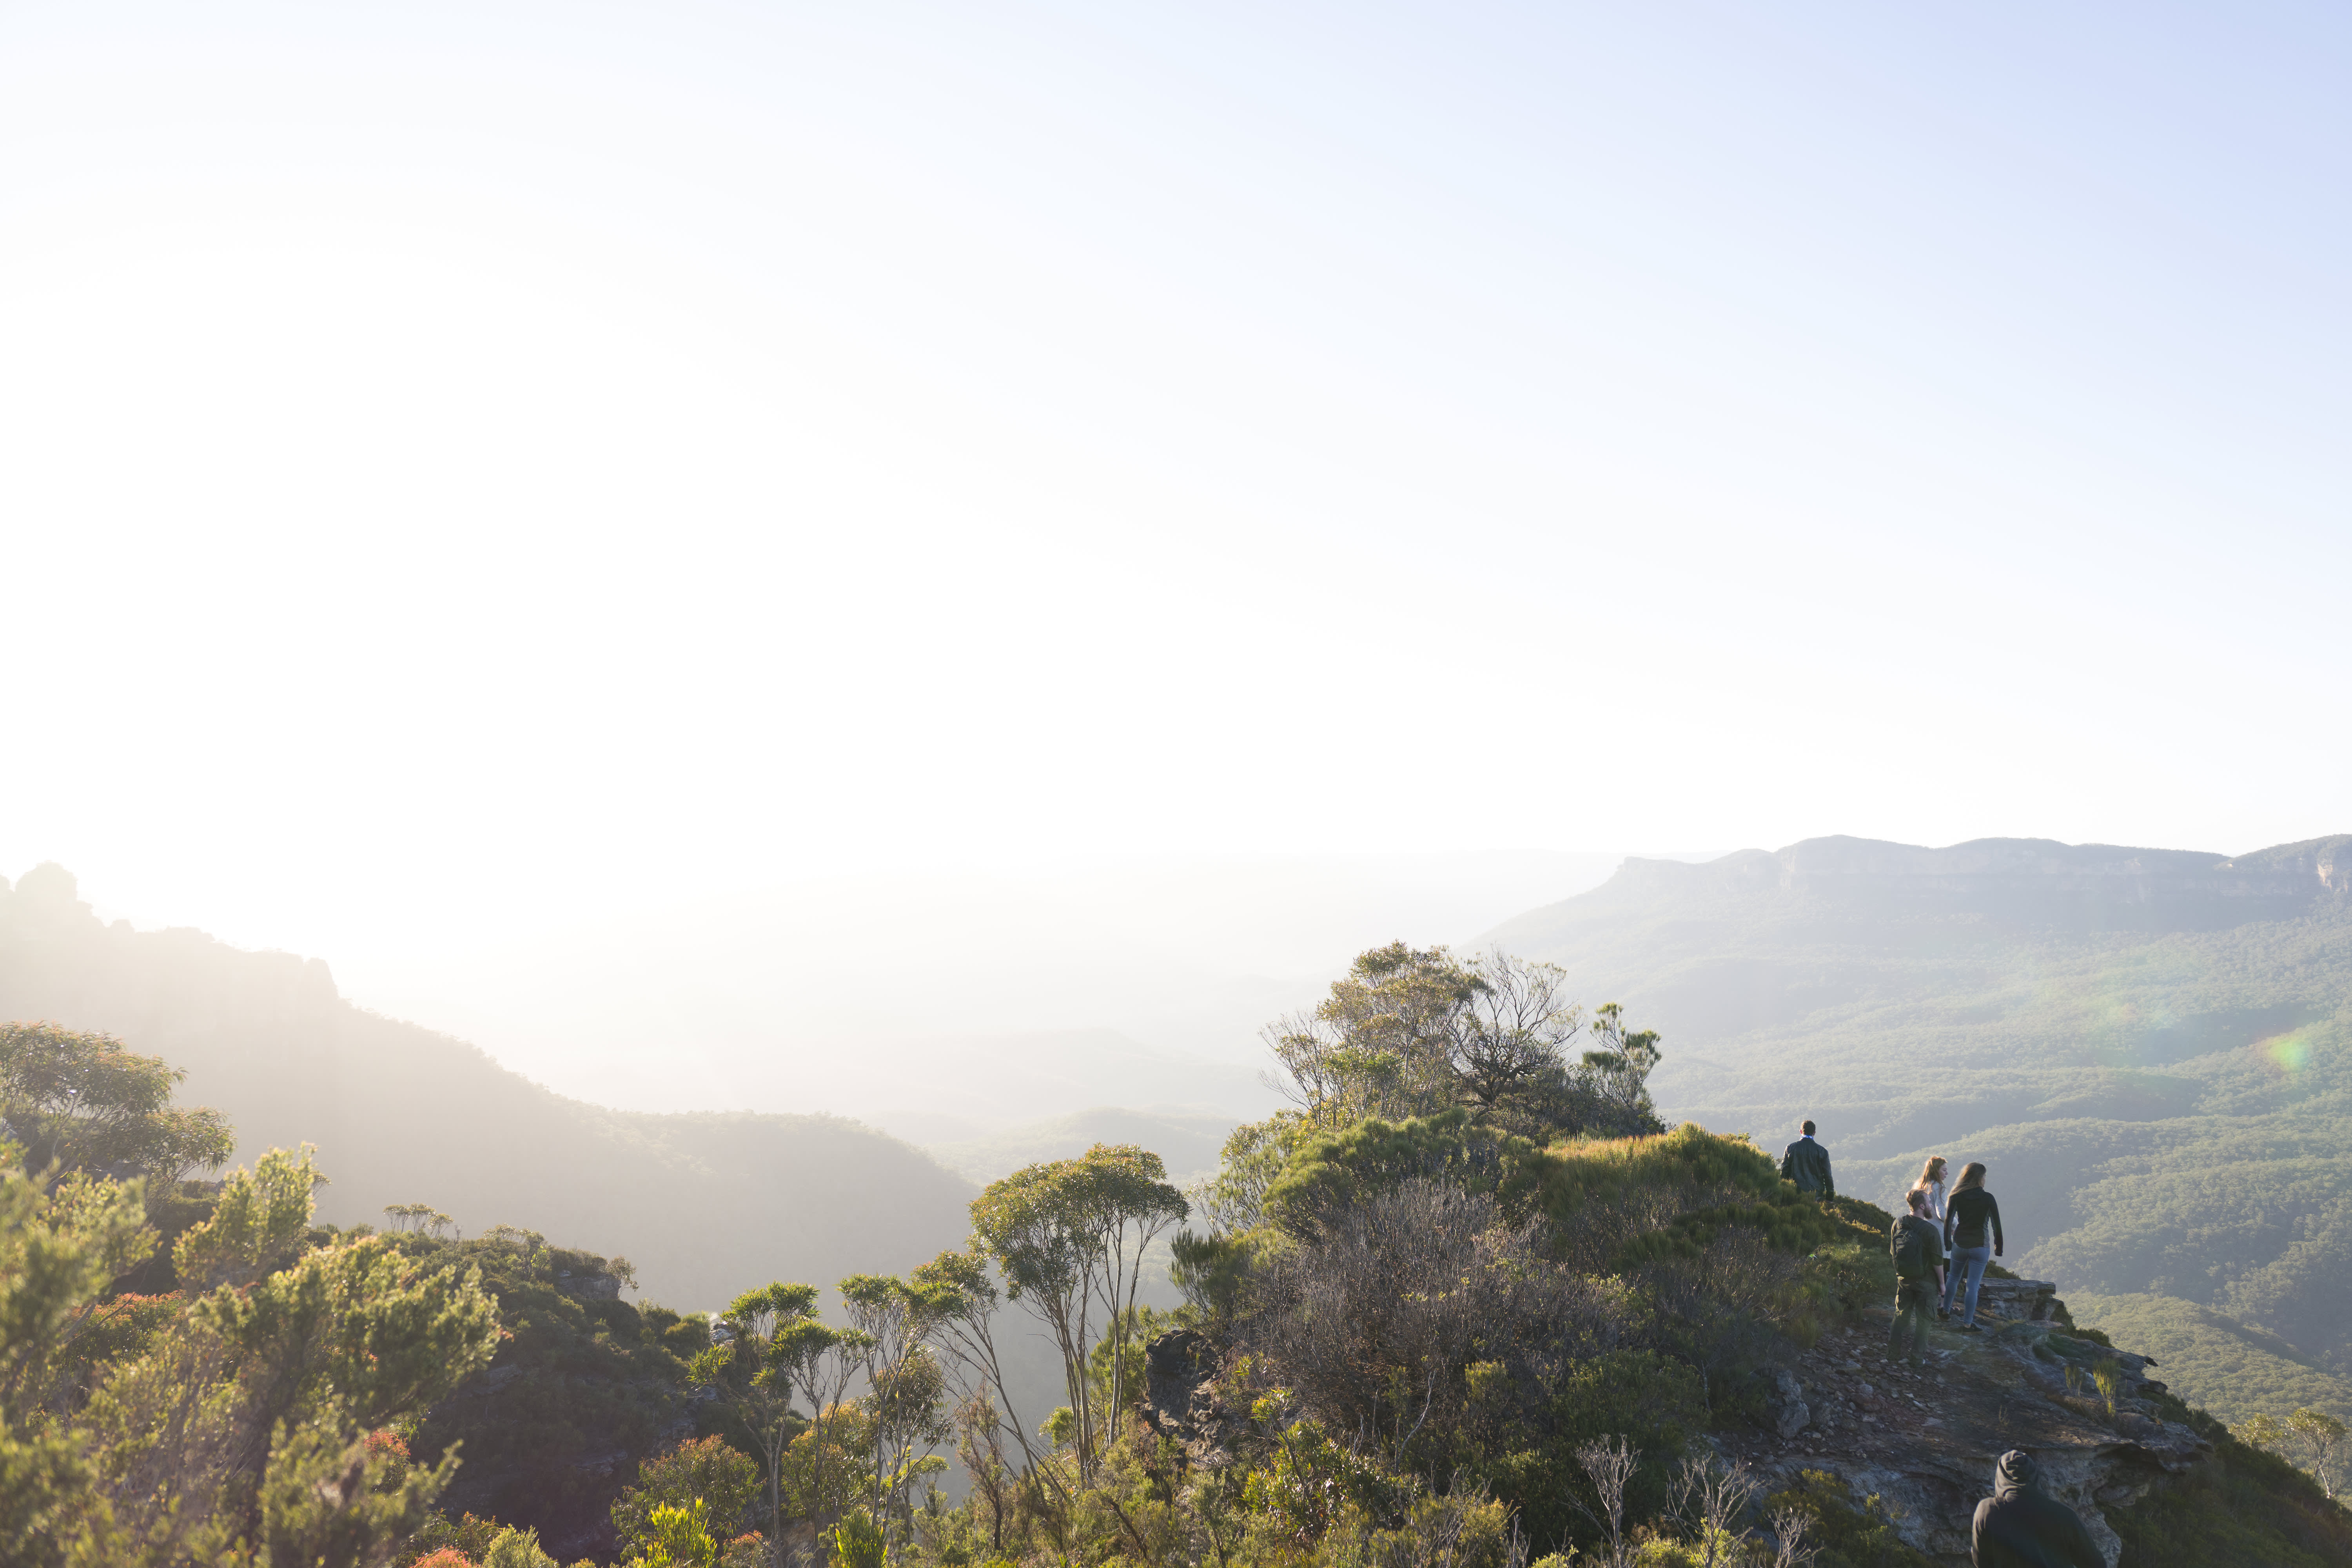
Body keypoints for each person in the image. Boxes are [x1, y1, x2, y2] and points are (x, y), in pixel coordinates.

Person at [1971, 1450, 2102, 1567]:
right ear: (2034, 1476)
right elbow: (2096, 1564)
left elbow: (1980, 1562)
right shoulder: (2064, 1515)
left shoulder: (1987, 1511)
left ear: (2000, 1479)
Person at [1942, 1161, 2004, 1331]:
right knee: (1973, 1286)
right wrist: (1999, 1248)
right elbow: (1997, 1226)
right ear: (1979, 1178)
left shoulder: (1956, 1196)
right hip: (1980, 1246)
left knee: (1953, 1278)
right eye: (1984, 1176)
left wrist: (1948, 1243)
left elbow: (1948, 1221)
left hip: (1960, 1244)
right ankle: (1968, 1324)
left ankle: (1945, 1311)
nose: (1985, 1179)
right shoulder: (1988, 1198)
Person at [1888, 1187, 1945, 1368]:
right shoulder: (1930, 1231)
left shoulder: (1898, 1223)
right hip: (1926, 1283)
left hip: (1903, 1279)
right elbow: (1937, 1261)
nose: (1931, 1206)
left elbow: (1893, 1252)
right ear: (1922, 1206)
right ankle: (1917, 1359)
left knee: (1900, 1316)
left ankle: (1892, 1355)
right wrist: (1942, 1285)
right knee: (1924, 1320)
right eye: (1929, 1203)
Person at [1914, 1156, 1951, 1313]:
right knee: (1944, 1268)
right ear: (1936, 1171)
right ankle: (1942, 1305)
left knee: (1927, 1268)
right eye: (1944, 1170)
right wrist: (1956, 1223)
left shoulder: (1920, 1186)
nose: (1947, 1173)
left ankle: (1924, 1301)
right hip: (1939, 1234)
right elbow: (1943, 1214)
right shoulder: (1939, 1187)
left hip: (1921, 1231)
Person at [1780, 1120, 1835, 1199]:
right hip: (1816, 1195)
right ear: (1814, 1133)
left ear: (1801, 1131)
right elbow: (1828, 1176)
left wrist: (1784, 1192)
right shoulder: (1822, 1151)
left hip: (1794, 1193)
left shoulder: (1790, 1148)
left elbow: (1784, 1171)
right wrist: (1830, 1196)